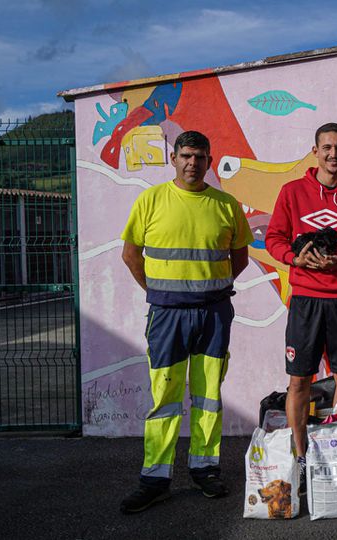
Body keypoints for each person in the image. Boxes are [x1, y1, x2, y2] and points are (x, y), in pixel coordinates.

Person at [119, 130, 253, 513]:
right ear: (174, 158)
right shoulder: (151, 200)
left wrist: (210, 289)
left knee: (208, 395)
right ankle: (155, 477)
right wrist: (160, 293)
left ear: (209, 162)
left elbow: (239, 258)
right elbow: (131, 255)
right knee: (165, 396)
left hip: (213, 313)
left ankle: (204, 468)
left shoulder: (226, 205)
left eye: (200, 156)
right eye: (186, 155)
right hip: (167, 316)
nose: (192, 162)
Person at [264, 122, 337, 491]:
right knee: (299, 379)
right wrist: (296, 260)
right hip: (305, 301)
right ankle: (300, 461)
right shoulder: (292, 192)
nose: (334, 154)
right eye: (327, 147)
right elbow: (273, 238)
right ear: (315, 151)